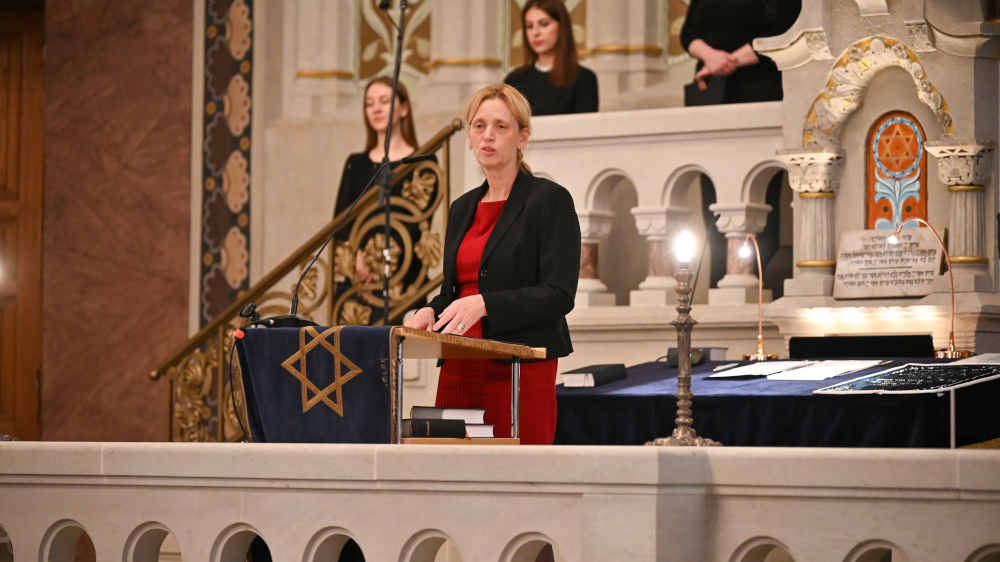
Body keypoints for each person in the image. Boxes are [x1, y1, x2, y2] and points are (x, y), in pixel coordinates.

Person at [403, 84, 581, 445]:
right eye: (479, 126)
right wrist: (428, 311)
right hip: (458, 364)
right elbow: (455, 291)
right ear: (468, 137)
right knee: (449, 476)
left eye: (501, 126)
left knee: (518, 480)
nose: (488, 136)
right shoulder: (462, 208)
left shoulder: (549, 201)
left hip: (518, 367)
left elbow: (558, 294)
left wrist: (485, 305)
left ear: (522, 137)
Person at [333, 76, 434, 320]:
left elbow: (419, 221)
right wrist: (359, 258)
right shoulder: (355, 164)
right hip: (358, 279)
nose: (376, 109)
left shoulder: (423, 162)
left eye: (384, 101)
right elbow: (341, 223)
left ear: (404, 108)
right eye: (369, 103)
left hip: (403, 276)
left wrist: (380, 259)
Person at [680, 0, 799, 103]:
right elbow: (688, 33)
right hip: (709, 84)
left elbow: (787, 27)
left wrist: (728, 62)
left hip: (763, 82)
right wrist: (709, 56)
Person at [504, 0, 598, 116]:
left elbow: (585, 129)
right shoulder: (514, 81)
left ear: (562, 27)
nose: (535, 33)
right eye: (529, 26)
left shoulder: (584, 79)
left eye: (544, 24)